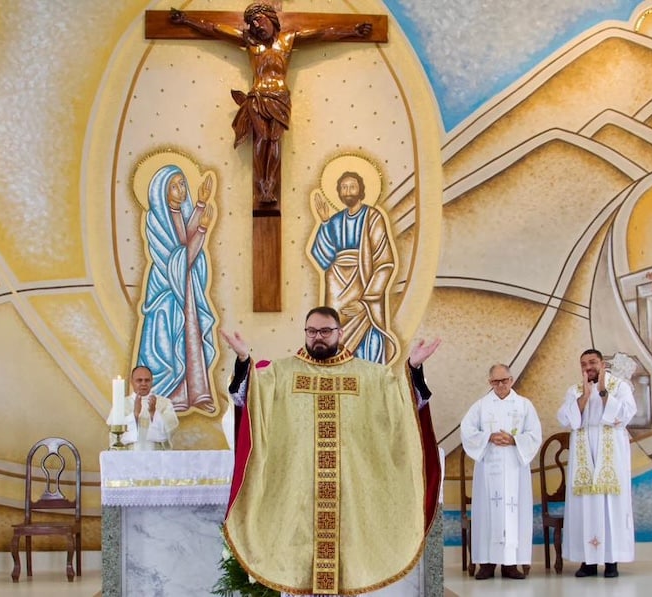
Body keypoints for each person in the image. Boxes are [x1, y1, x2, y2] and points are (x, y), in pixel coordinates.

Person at [219, 306, 441, 596]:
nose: (318, 337)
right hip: (297, 499)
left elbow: (402, 401)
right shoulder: (281, 373)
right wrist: (243, 360)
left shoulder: (369, 376)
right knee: (298, 576)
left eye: (325, 331)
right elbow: (249, 398)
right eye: (311, 331)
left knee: (347, 575)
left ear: (340, 332)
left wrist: (413, 368)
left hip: (350, 500)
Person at [170, 4, 372, 204]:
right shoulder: (249, 41)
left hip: (280, 97)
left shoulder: (288, 39)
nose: (256, 26)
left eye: (259, 19)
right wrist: (187, 20)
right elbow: (215, 29)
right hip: (258, 96)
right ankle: (261, 184)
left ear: (271, 18)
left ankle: (271, 184)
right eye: (252, 23)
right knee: (262, 138)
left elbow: (322, 34)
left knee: (274, 140)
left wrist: (352, 30)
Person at [136, 165, 217, 413]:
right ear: (162, 191)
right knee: (170, 343)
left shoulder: (179, 214)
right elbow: (177, 260)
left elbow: (184, 244)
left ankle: (196, 393)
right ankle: (172, 395)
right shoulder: (155, 220)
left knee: (190, 336)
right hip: (166, 292)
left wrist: (200, 205)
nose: (181, 190)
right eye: (174, 186)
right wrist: (202, 229)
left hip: (184, 287)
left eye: (182, 184)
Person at [557, 349, 636, 579]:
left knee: (611, 504)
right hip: (584, 452)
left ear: (602, 364)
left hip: (611, 450)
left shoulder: (619, 387)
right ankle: (588, 561)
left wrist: (602, 391)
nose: (588, 367)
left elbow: (626, 414)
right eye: (583, 364)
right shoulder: (575, 390)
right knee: (586, 505)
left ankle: (611, 560)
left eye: (592, 362)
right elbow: (566, 419)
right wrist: (584, 396)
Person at [460, 364, 542, 580]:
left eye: (504, 380)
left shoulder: (524, 405)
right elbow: (467, 430)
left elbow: (534, 434)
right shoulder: (481, 406)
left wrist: (514, 440)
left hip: (515, 467)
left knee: (514, 513)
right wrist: (488, 437)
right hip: (489, 468)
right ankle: (486, 564)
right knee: (486, 514)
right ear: (490, 383)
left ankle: (510, 564)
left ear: (511, 380)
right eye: (496, 381)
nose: (501, 385)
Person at [311, 170, 398, 363]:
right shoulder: (335, 220)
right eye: (343, 188)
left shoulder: (373, 217)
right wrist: (324, 223)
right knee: (334, 339)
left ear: (361, 190)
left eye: (352, 187)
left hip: (363, 284)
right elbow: (323, 257)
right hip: (337, 287)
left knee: (368, 341)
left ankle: (369, 376)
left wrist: (365, 301)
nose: (347, 191)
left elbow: (384, 263)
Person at [107, 366, 179, 450]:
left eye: (147, 380)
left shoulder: (164, 403)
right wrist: (135, 415)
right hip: (129, 454)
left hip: (156, 454)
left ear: (152, 381)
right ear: (132, 381)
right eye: (139, 380)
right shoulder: (121, 404)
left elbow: (172, 427)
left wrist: (154, 413)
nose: (143, 383)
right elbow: (114, 433)